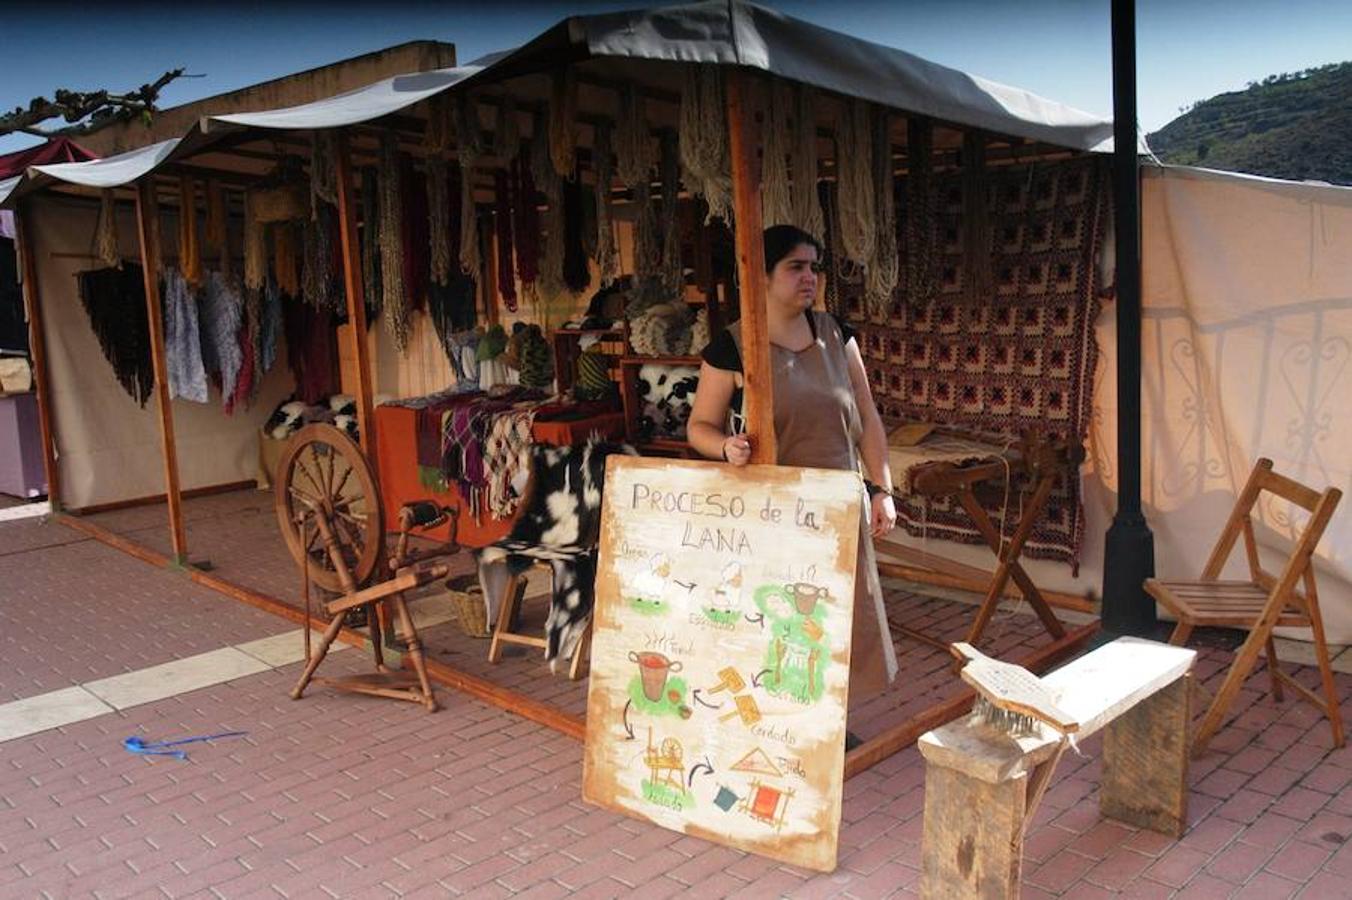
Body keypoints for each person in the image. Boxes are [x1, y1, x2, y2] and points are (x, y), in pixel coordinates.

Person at [687, 224, 899, 707]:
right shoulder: (733, 348)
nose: (810, 278)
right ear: (760, 277)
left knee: (838, 622)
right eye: (795, 267)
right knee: (783, 628)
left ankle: (825, 731)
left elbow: (866, 417)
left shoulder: (836, 335)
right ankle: (783, 725)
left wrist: (881, 489)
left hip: (840, 510)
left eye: (813, 267)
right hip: (774, 518)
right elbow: (699, 425)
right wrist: (725, 448)